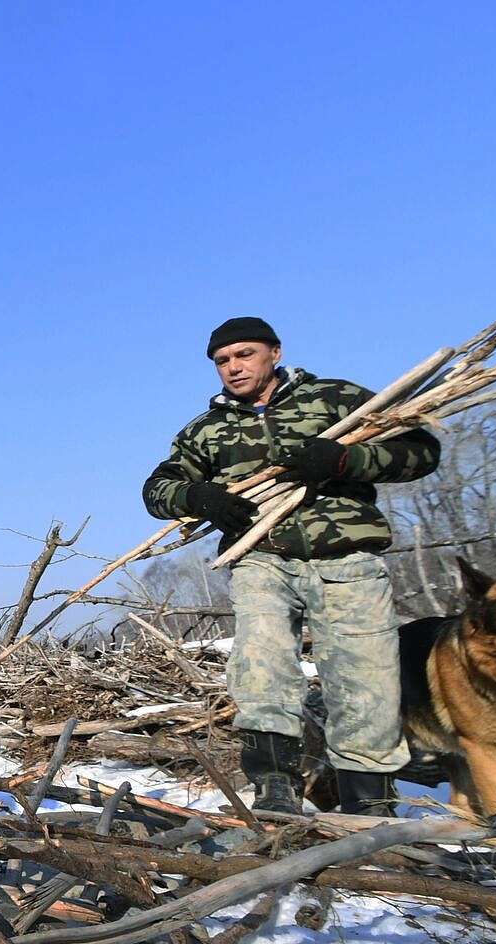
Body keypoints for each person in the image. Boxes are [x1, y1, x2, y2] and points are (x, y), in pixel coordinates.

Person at [142, 317, 440, 816]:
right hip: (261, 559)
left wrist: (344, 462)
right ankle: (275, 787)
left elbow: (420, 452)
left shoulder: (338, 400)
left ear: (275, 353)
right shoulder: (206, 430)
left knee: (365, 676)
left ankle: (369, 798)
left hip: (347, 558)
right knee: (261, 669)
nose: (233, 367)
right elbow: (157, 490)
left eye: (244, 354)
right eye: (222, 360)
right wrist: (200, 496)